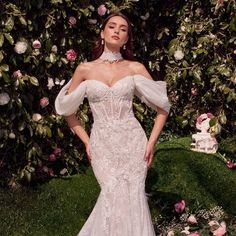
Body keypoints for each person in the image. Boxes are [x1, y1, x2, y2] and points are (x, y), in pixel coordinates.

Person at [55, 12, 170, 236]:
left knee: (133, 196)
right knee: (111, 194)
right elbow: (67, 111)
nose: (117, 31)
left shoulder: (135, 68)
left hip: (133, 142)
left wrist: (151, 142)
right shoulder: (84, 69)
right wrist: (87, 142)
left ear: (126, 38)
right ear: (102, 32)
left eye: (123, 29)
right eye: (112, 26)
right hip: (102, 144)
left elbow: (163, 107)